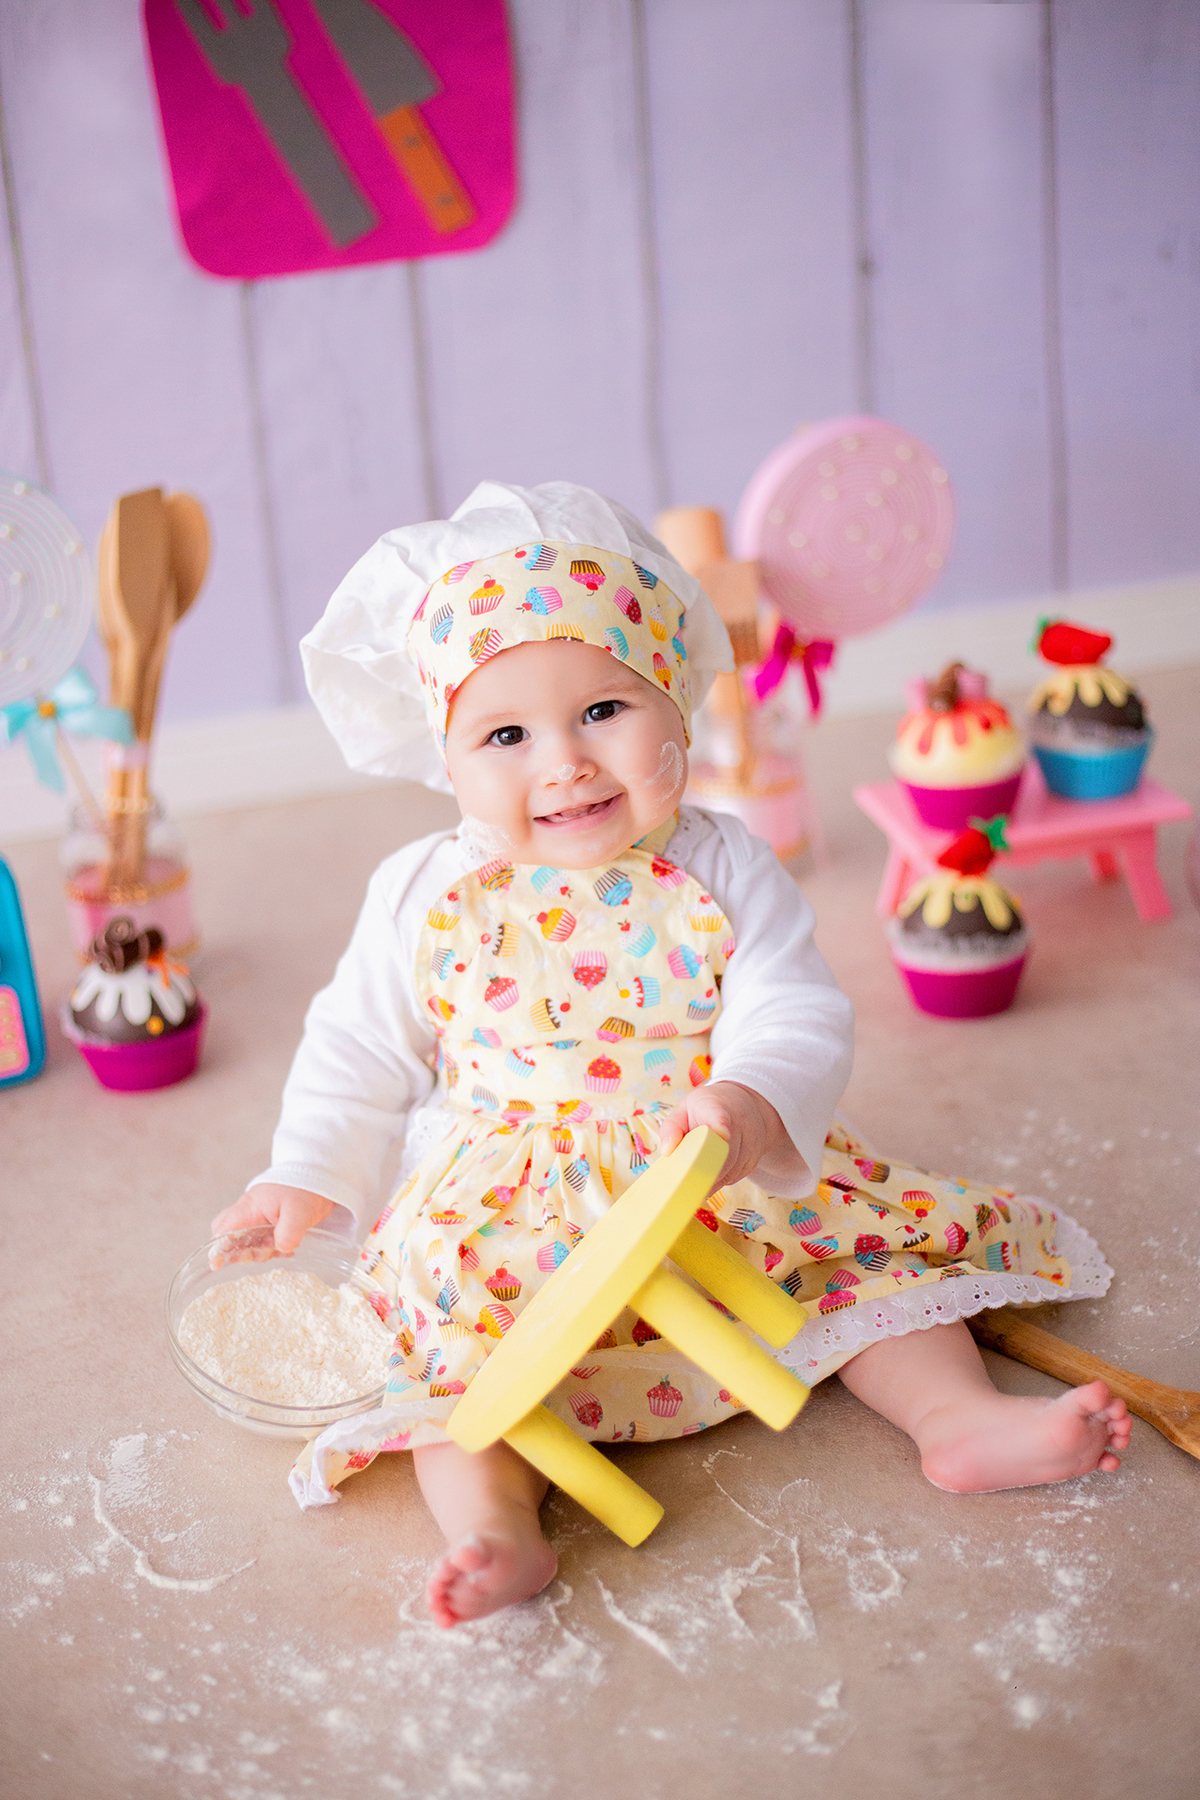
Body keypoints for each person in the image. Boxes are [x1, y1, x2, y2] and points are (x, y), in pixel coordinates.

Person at [212, 482, 1128, 1630]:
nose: (565, 764)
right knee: (452, 1360)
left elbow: (791, 1003)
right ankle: (495, 1529)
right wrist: (306, 1174)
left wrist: (752, 1102)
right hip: (511, 1192)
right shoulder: (424, 895)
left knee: (874, 1276)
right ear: (446, 759)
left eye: (603, 710)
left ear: (679, 707)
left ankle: (961, 1421)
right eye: (505, 734)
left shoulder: (724, 863)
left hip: (710, 1164)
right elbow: (355, 1052)